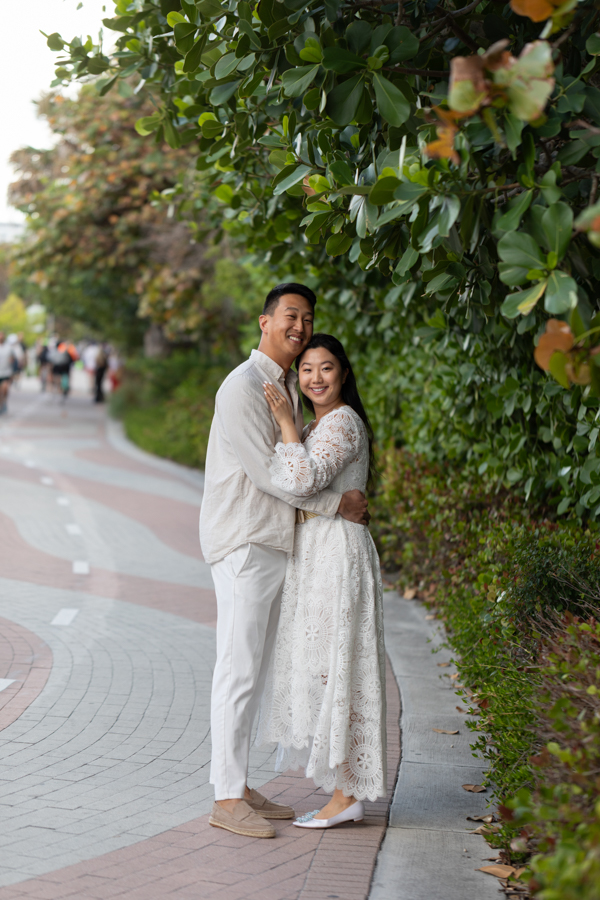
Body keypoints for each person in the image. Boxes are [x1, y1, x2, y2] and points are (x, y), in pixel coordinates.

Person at [199, 283, 370, 839]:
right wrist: (336, 504)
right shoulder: (245, 388)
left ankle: (239, 783)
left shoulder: (284, 387)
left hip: (275, 544)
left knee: (253, 670)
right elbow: (271, 473)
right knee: (237, 669)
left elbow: (298, 460)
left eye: (308, 317)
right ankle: (226, 798)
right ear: (264, 322)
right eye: (290, 316)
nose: (299, 326)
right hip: (246, 542)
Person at [258, 334, 386, 829]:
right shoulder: (319, 424)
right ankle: (343, 790)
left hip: (337, 552)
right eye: (307, 369)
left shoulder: (342, 422)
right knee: (325, 667)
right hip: (318, 550)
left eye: (326, 368)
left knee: (339, 668)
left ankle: (347, 793)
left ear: (344, 374)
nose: (315, 377)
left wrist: (287, 426)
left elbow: (299, 481)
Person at [0, 332, 15, 415]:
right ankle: (1, 404)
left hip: (6, 372)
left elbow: (13, 358)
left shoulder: (9, 347)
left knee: (5, 388)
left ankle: (4, 402)